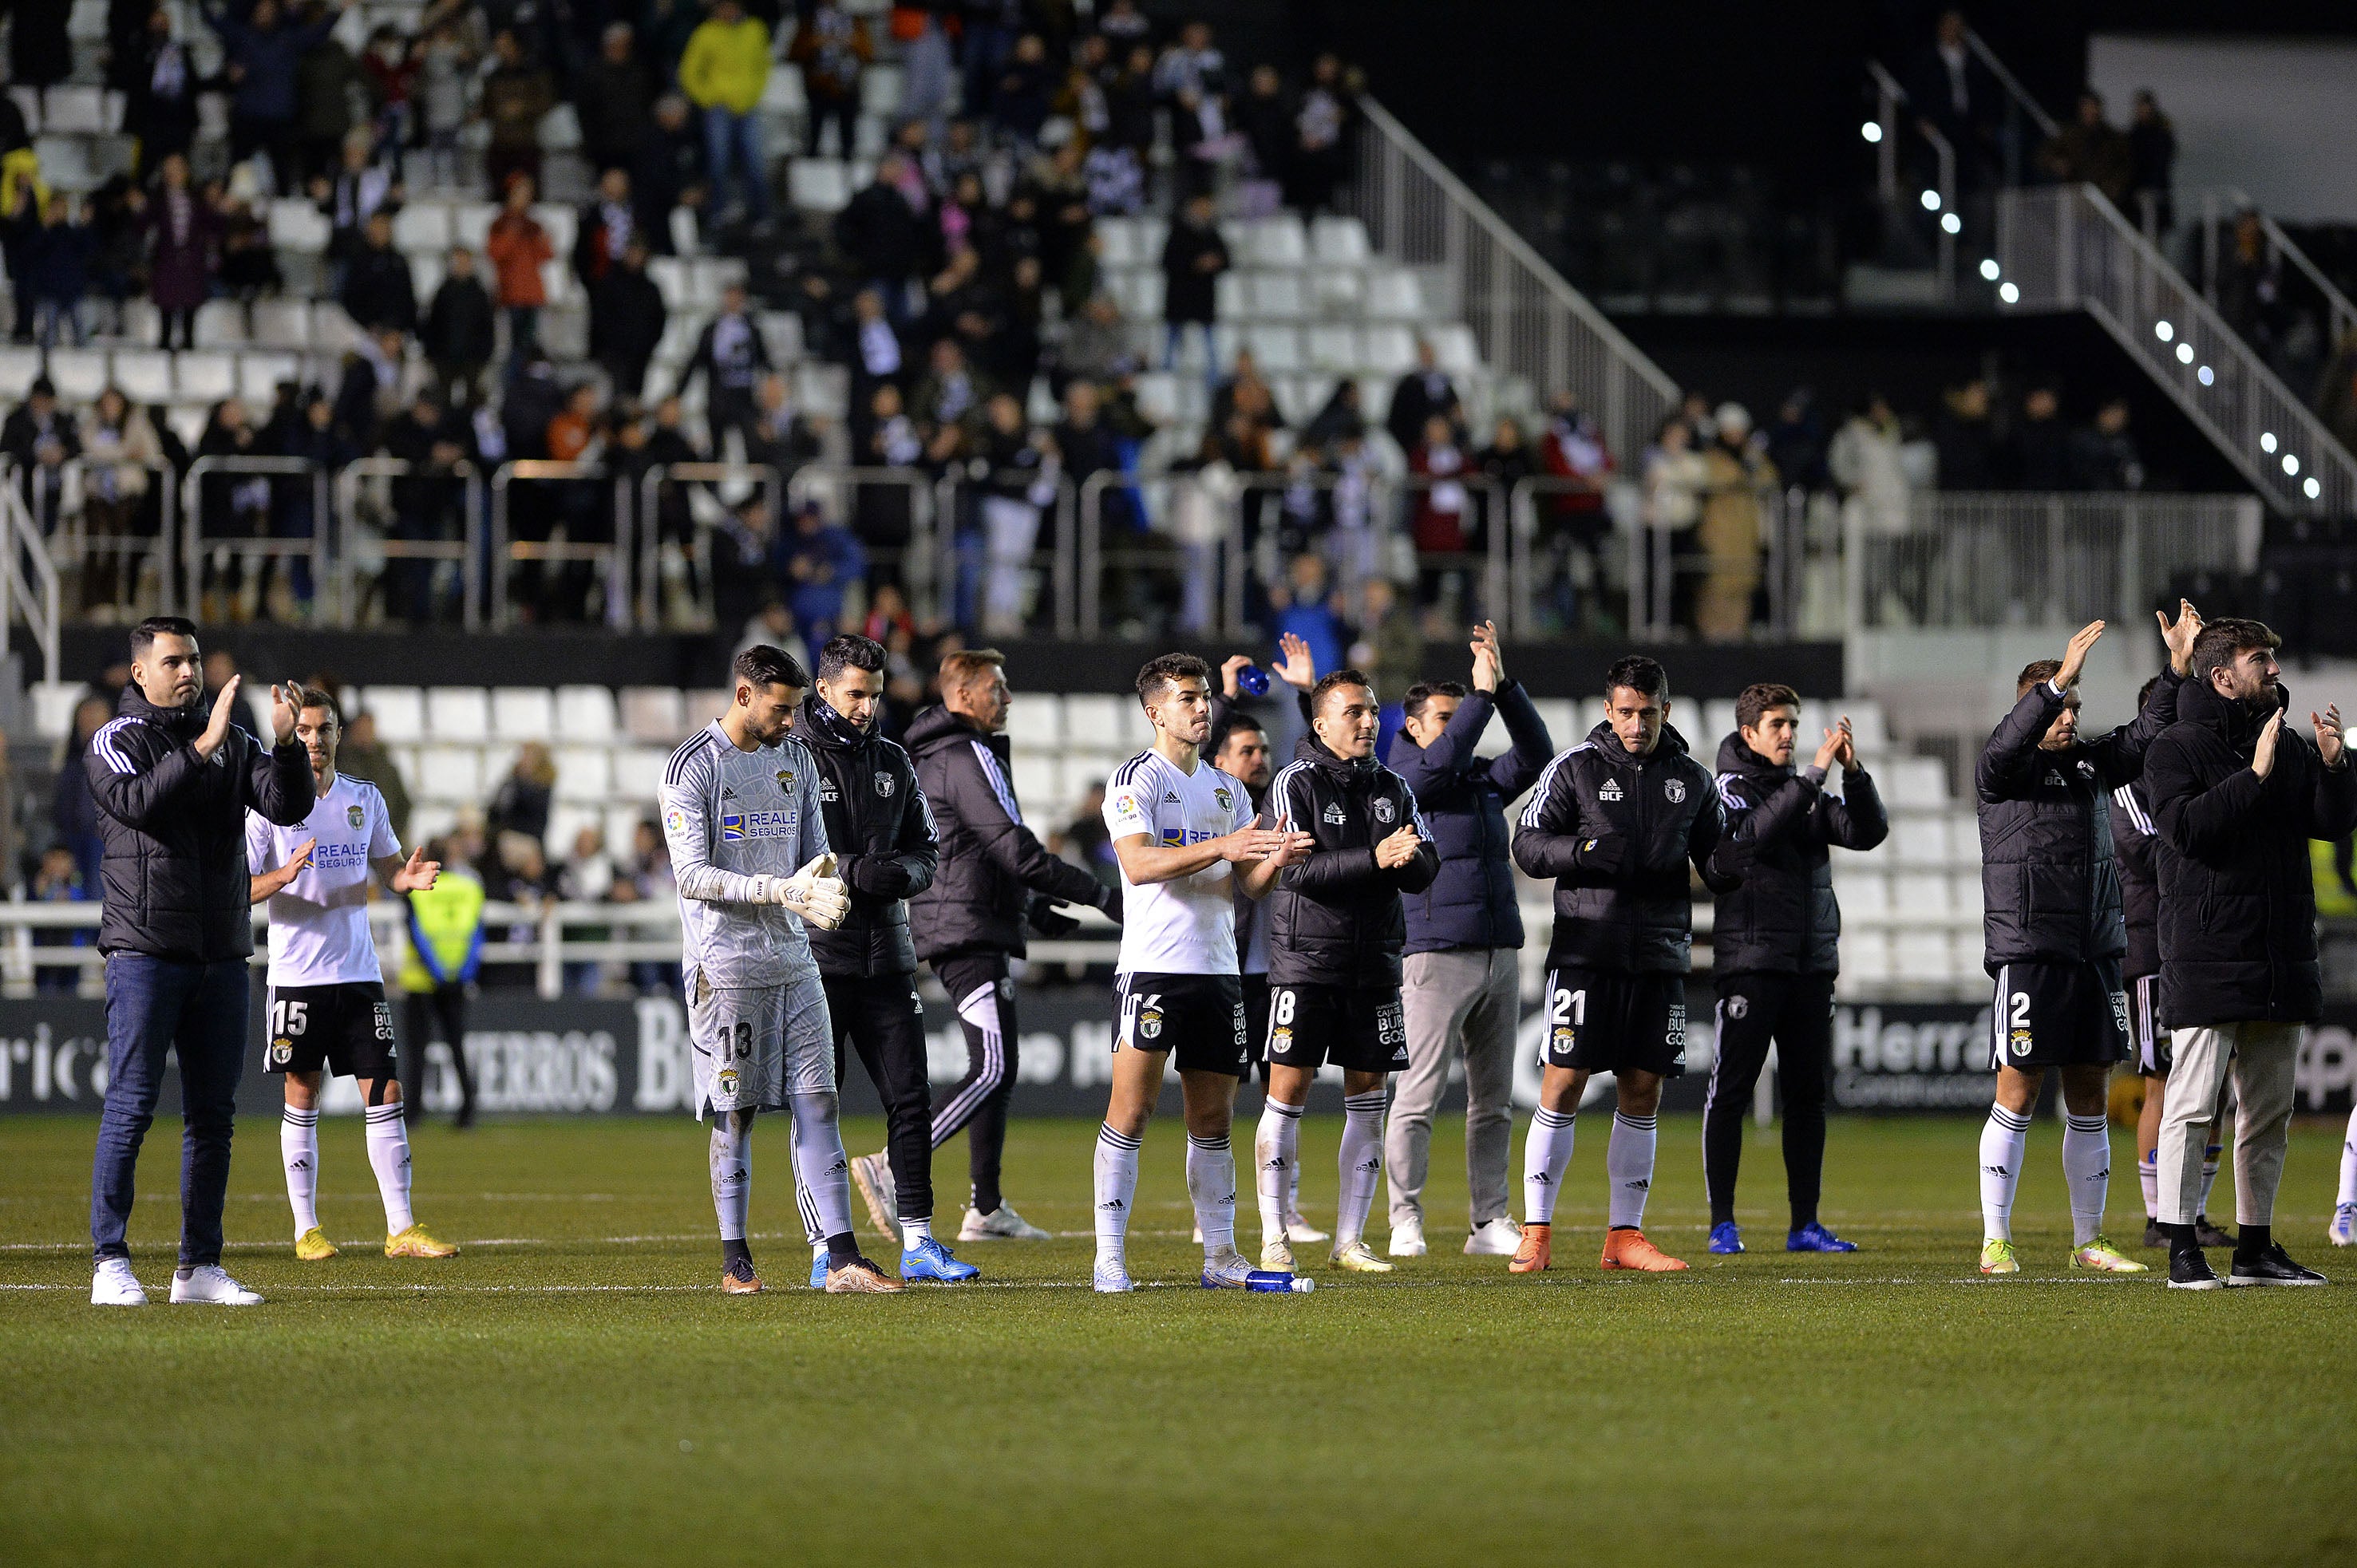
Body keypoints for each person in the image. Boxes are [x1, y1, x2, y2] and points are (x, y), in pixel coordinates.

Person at [87, 620, 313, 1308]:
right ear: (139, 671)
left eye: (192, 659)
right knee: (130, 1106)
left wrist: (283, 744)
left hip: (220, 952)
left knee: (213, 1116)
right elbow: (136, 804)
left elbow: (287, 803)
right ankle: (109, 1259)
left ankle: (198, 1266)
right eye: (173, 661)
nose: (188, 672)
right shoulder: (115, 741)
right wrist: (207, 745)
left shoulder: (233, 739)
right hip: (146, 952)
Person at [658, 645, 894, 1294]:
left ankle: (842, 1256)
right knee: (735, 1112)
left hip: (794, 961)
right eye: (782, 708)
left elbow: (815, 856)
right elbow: (691, 876)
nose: (793, 721)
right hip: (725, 967)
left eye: (796, 709)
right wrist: (777, 890)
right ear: (743, 695)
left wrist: (825, 889)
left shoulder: (795, 758)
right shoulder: (691, 768)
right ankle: (736, 1259)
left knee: (820, 1099)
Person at [1971, 607, 2197, 1277]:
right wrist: (2051, 682)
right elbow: (2005, 747)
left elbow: (2146, 732)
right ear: (2029, 711)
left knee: (2091, 1095)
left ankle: (2088, 1238)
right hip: (2029, 954)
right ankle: (1995, 1240)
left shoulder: (2090, 768)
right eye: (2058, 705)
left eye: (2073, 704)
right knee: (2016, 1090)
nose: (2068, 715)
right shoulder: (2001, 773)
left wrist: (2177, 668)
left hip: (2096, 952)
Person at [2145, 618, 2356, 1288]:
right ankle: (2181, 1245)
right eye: (2258, 658)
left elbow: (2328, 823)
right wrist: (2254, 775)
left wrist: (2331, 767)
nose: (2272, 668)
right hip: (2208, 952)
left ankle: (2254, 1249)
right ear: (2220, 676)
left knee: (2268, 1112)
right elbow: (2186, 830)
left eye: (2271, 656)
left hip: (2281, 953)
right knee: (2192, 1104)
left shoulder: (2288, 744)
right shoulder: (2173, 747)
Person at [1509, 654, 1734, 1276]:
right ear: (1608, 710)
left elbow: (1715, 858)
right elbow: (1526, 844)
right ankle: (1535, 1232)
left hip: (1660, 954)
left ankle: (1624, 1237)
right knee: (1562, 1081)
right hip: (1586, 954)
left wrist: (1731, 867)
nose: (1637, 723)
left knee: (1643, 1090)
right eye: (1627, 712)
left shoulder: (1690, 778)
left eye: (1649, 711)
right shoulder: (1575, 769)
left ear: (1666, 708)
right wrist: (1582, 850)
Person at [1092, 654, 1306, 1292]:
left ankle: (1220, 1255)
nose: (1201, 707)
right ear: (1155, 710)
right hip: (1153, 969)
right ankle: (1108, 1256)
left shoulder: (1227, 788)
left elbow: (1246, 884)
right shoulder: (1136, 778)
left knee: (1212, 1121)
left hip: (1218, 971)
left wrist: (1278, 857)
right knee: (1131, 1111)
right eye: (1187, 697)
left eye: (1205, 696)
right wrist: (1223, 846)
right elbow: (1136, 864)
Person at [906, 648, 1120, 1242]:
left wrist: (1027, 909)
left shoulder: (942, 753)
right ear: (965, 694)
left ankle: (986, 1205)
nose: (1008, 699)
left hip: (973, 918)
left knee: (999, 1068)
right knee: (994, 1064)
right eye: (997, 688)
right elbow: (1014, 849)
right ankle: (901, 1161)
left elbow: (971, 855)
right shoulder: (962, 752)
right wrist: (1100, 897)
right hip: (965, 928)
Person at [245, 689, 453, 1262]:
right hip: (297, 974)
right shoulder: (266, 805)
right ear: (293, 733)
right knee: (302, 1091)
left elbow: (387, 865)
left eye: (324, 729)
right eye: (305, 729)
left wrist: (402, 879)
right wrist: (283, 875)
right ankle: (306, 1229)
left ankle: (401, 1228)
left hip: (358, 971)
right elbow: (240, 887)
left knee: (385, 1088)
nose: (314, 740)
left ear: (338, 733)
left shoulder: (365, 797)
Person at [1251, 668, 1438, 1274]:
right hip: (1306, 962)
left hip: (1375, 964)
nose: (1367, 721)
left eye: (1373, 710)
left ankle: (1349, 1240)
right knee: (1287, 1094)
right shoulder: (1293, 784)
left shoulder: (1393, 786)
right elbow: (1293, 872)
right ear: (1321, 721)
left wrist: (1407, 862)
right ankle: (1274, 1236)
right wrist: (1377, 857)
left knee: (1369, 1097)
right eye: (1353, 711)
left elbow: (1425, 863)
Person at [797, 635, 970, 1285]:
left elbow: (927, 849)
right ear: (825, 690)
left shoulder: (893, 760)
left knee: (911, 1100)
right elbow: (782, 856)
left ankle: (920, 1240)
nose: (867, 706)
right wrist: (855, 870)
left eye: (873, 693)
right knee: (819, 1102)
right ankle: (825, 1247)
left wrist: (899, 875)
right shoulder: (791, 761)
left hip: (888, 958)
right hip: (815, 959)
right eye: (855, 694)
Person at [1382, 622, 1553, 1259]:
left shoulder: (1479, 781)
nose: (1462, 728)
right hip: (1433, 953)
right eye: (1448, 718)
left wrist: (1503, 688)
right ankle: (1405, 1217)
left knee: (1492, 1103)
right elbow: (1436, 770)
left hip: (1497, 952)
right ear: (1415, 727)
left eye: (1463, 716)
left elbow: (1538, 754)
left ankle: (1487, 1220)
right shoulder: (1400, 777)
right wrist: (1480, 703)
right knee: (1419, 1095)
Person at [1701, 683, 1888, 1254]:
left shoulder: (1799, 789)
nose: (1788, 733)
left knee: (1806, 1097)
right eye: (1777, 724)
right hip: (1751, 961)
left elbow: (1866, 831)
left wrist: (1852, 775)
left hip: (1809, 965)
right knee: (1730, 1093)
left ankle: (1803, 1223)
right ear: (1748, 732)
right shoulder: (1727, 788)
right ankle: (1722, 1222)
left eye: (1793, 723)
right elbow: (1749, 838)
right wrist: (1811, 778)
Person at [2110, 685, 2235, 1250]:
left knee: (2212, 1087)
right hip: (2150, 949)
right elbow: (2157, 850)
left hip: (2198, 942)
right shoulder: (2130, 785)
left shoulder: (2189, 776)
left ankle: (2194, 1212)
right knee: (2161, 1080)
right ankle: (2159, 1215)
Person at [399, 835, 484, 1128]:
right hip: (457, 978)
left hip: (422, 980)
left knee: (417, 1049)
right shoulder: (469, 888)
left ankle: (414, 1112)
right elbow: (476, 933)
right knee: (456, 1046)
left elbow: (417, 933)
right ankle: (468, 1110)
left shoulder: (417, 889)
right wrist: (463, 971)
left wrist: (436, 970)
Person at [678, 0, 773, 229]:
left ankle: (761, 214)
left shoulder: (755, 29)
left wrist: (752, 94)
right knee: (718, 162)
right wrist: (709, 98)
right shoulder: (706, 33)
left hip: (748, 106)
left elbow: (763, 66)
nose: (726, 11)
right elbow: (689, 71)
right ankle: (719, 211)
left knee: (755, 163)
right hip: (719, 108)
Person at [786, 1, 870, 159]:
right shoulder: (809, 22)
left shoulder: (855, 21)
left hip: (847, 85)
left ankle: (848, 156)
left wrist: (852, 42)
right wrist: (815, 42)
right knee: (814, 126)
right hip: (819, 84)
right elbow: (794, 53)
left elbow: (868, 53)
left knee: (848, 125)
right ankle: (811, 156)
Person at [1159, 191, 1228, 385]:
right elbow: (1167, 262)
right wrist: (1194, 264)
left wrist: (1215, 263)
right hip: (1180, 295)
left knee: (1209, 342)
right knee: (1172, 338)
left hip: (1203, 298)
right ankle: (1165, 377)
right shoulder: (1178, 232)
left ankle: (1214, 378)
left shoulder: (1212, 233)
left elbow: (1227, 260)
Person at [484, 176, 552, 366]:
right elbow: (495, 253)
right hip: (511, 293)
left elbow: (546, 255)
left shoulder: (534, 226)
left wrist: (545, 239)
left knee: (528, 345)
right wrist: (512, 234)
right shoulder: (500, 224)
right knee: (511, 347)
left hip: (532, 293)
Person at [589, 237, 666, 402]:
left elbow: (659, 320)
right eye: (632, 252)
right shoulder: (610, 284)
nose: (635, 257)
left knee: (634, 398)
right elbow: (600, 317)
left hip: (640, 355)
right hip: (613, 355)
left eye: (640, 253)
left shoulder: (650, 289)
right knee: (614, 397)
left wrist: (648, 344)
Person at [422, 246, 496, 406]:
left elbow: (487, 327)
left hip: (472, 357)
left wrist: (484, 354)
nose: (462, 265)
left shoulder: (479, 294)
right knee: (443, 400)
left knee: (471, 401)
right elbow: (433, 323)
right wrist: (432, 351)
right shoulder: (443, 292)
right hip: (445, 356)